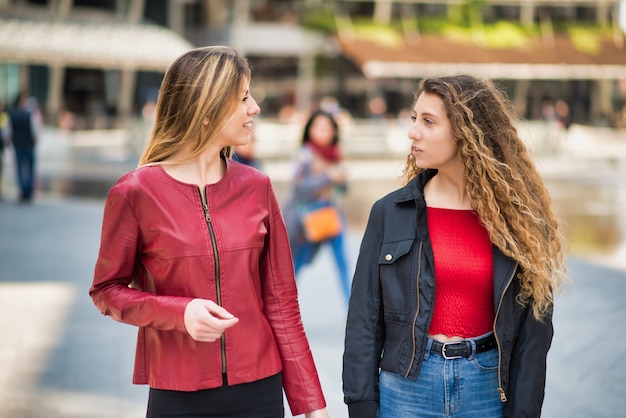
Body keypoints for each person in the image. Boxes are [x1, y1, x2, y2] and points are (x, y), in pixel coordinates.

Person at [89, 46, 329, 418]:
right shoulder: (134, 193)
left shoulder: (257, 186)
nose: (255, 108)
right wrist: (178, 313)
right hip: (178, 395)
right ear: (207, 108)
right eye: (244, 97)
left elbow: (282, 306)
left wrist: (312, 406)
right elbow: (106, 291)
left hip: (260, 391)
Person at [343, 74, 568, 418]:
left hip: (488, 388)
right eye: (414, 118)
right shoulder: (389, 213)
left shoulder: (518, 218)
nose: (413, 131)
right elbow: (363, 320)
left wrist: (523, 411)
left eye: (428, 121)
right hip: (406, 389)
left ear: (466, 129)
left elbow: (534, 333)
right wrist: (360, 405)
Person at [282, 110, 351, 304]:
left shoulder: (336, 155)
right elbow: (299, 187)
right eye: (319, 127)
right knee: (298, 264)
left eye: (328, 127)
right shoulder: (304, 155)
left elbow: (345, 188)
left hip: (333, 214)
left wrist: (342, 179)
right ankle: (285, 308)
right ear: (310, 130)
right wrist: (327, 177)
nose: (324, 132)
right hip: (311, 217)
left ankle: (354, 314)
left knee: (343, 265)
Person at [7, 92, 38, 203]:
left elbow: (9, 130)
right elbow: (35, 127)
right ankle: (27, 191)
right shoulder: (29, 113)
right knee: (28, 168)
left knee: (21, 168)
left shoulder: (13, 113)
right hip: (27, 143)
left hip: (20, 143)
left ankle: (25, 191)